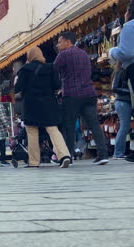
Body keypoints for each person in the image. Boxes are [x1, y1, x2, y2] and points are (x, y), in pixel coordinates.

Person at [54, 31, 109, 165]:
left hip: (72, 95)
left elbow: (53, 70)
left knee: (69, 126)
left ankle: (68, 156)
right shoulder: (84, 54)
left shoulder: (63, 55)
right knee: (94, 124)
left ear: (68, 42)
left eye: (60, 42)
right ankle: (103, 154)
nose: (58, 45)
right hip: (89, 93)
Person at [14, 47, 71, 168]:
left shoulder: (24, 69)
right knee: (53, 130)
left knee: (32, 132)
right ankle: (64, 155)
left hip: (31, 105)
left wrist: (16, 81)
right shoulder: (50, 68)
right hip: (48, 104)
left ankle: (34, 162)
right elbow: (57, 85)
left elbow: (18, 88)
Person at [110, 1, 134, 162]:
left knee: (124, 126)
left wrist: (111, 51)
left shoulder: (129, 27)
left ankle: (118, 152)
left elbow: (126, 52)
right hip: (123, 101)